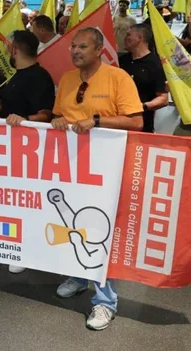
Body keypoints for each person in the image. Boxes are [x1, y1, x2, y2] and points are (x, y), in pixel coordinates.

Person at [51, 27, 143, 331]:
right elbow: (58, 116)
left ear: (99, 50)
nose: (75, 51)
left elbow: (136, 120)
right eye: (73, 46)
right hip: (71, 167)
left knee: (99, 233)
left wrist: (98, 121)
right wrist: (59, 120)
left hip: (106, 169)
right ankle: (78, 277)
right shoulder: (66, 79)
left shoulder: (119, 78)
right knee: (72, 223)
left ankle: (105, 302)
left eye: (83, 47)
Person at [0, 31, 55, 274]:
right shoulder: (15, 76)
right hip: (9, 145)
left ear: (14, 50)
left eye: (8, 46)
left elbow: (45, 114)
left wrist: (24, 120)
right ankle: (13, 244)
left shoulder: (40, 77)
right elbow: (10, 109)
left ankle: (26, 250)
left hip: (29, 149)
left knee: (27, 199)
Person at [119, 24, 168, 133]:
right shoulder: (121, 60)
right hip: (118, 124)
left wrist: (142, 106)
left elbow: (163, 99)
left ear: (140, 38)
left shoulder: (156, 64)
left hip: (142, 126)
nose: (125, 38)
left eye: (128, 35)